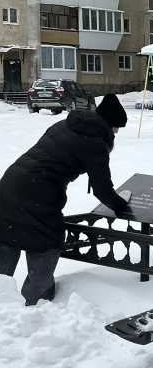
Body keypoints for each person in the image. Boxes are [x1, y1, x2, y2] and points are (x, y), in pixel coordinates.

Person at [0, 93, 132, 305]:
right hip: (37, 194)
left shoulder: (66, 124)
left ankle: (4, 304)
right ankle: (35, 306)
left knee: (7, 237)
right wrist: (121, 205)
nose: (116, 132)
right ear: (110, 124)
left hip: (9, 185)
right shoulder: (95, 142)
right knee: (46, 243)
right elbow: (102, 189)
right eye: (116, 127)